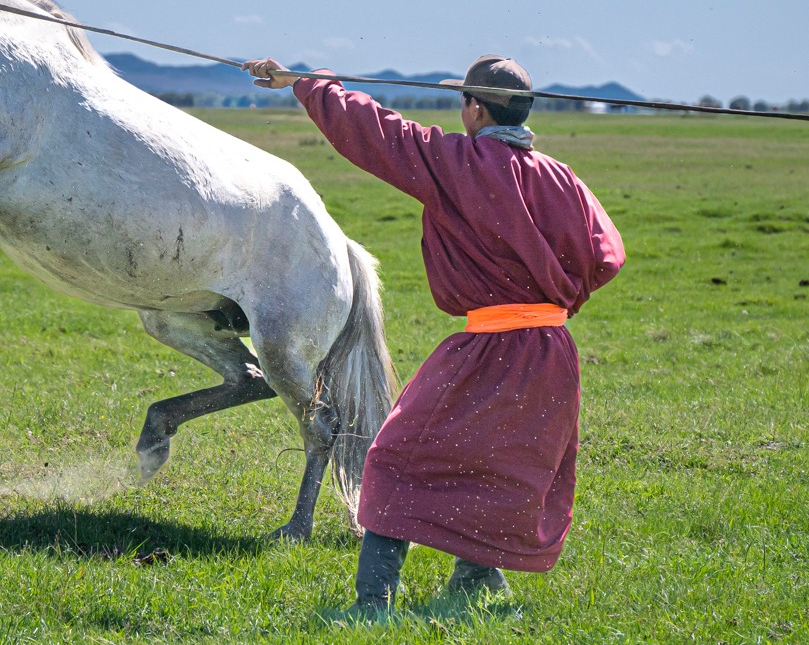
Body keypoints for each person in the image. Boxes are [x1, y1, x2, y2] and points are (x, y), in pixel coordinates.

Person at [242, 54, 625, 609]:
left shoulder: (457, 162)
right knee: (505, 465)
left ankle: (375, 604)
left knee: (395, 455)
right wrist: (552, 303)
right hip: (551, 348)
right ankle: (475, 583)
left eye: (461, 102)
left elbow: (373, 129)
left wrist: (306, 82)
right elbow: (605, 256)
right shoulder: (562, 176)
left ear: (474, 108)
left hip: (488, 345)